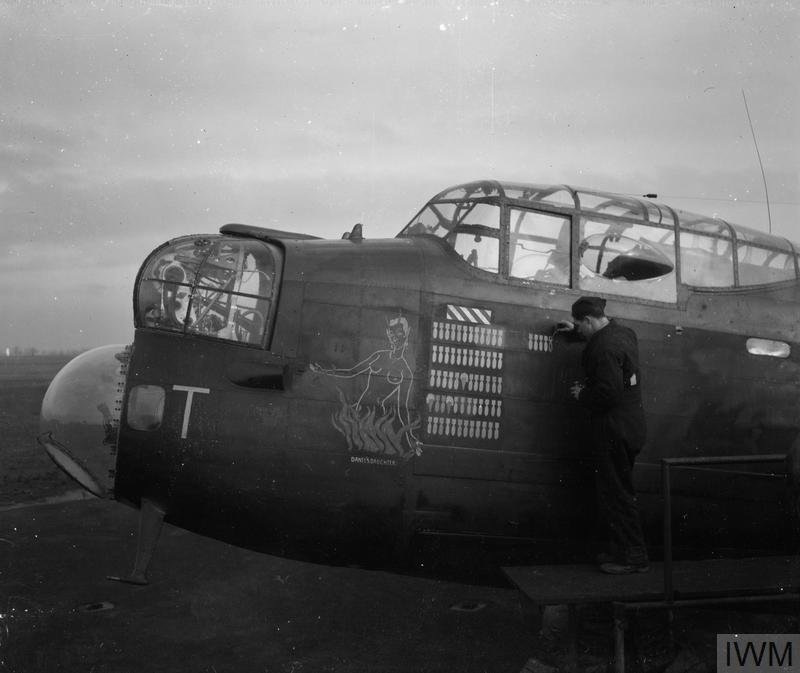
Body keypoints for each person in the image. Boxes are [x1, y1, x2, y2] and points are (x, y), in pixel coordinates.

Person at [557, 296, 649, 574]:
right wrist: (575, 333)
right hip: (631, 427)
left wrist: (581, 394)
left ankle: (634, 558)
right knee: (617, 490)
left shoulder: (604, 348)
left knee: (617, 494)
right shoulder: (623, 333)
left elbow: (608, 392)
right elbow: (603, 339)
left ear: (589, 320)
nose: (578, 328)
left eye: (579, 324)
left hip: (613, 429)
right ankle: (621, 551)